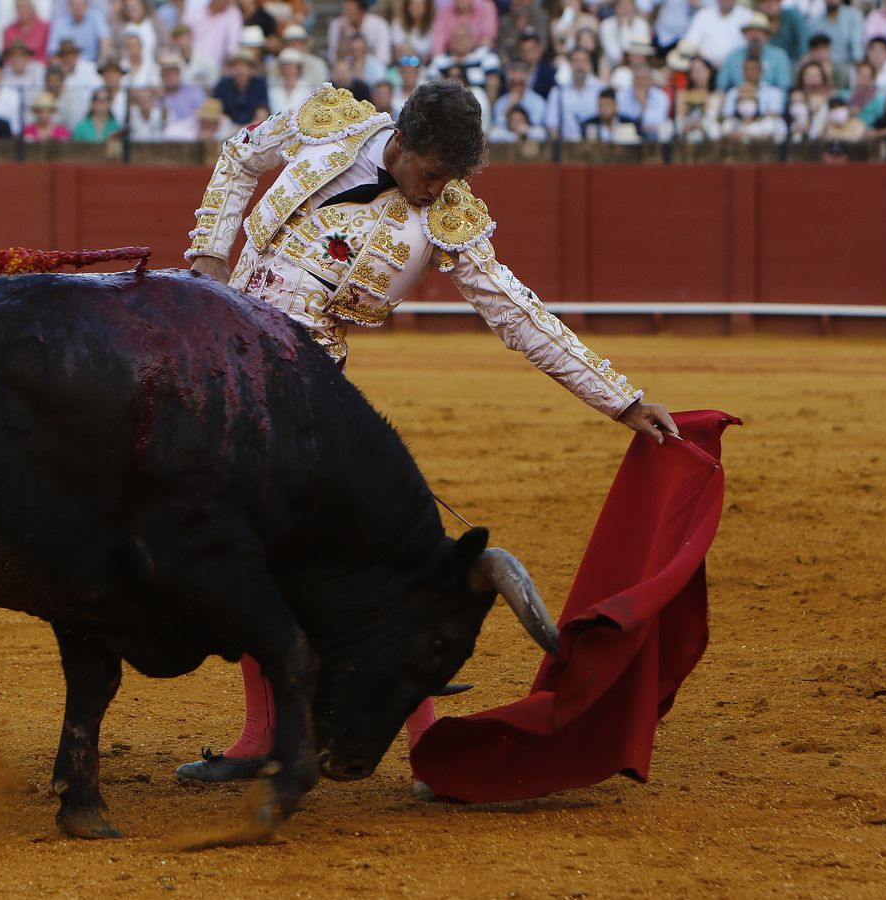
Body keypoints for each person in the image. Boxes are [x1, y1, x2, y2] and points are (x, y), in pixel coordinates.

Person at [177, 81, 676, 782]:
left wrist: (621, 399)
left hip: (307, 384)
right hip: (216, 344)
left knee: (302, 550)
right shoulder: (331, 124)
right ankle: (270, 731)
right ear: (402, 141)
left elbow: (518, 315)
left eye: (452, 179)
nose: (436, 190)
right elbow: (238, 157)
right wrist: (208, 252)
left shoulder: (448, 219)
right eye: (432, 172)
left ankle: (407, 741)